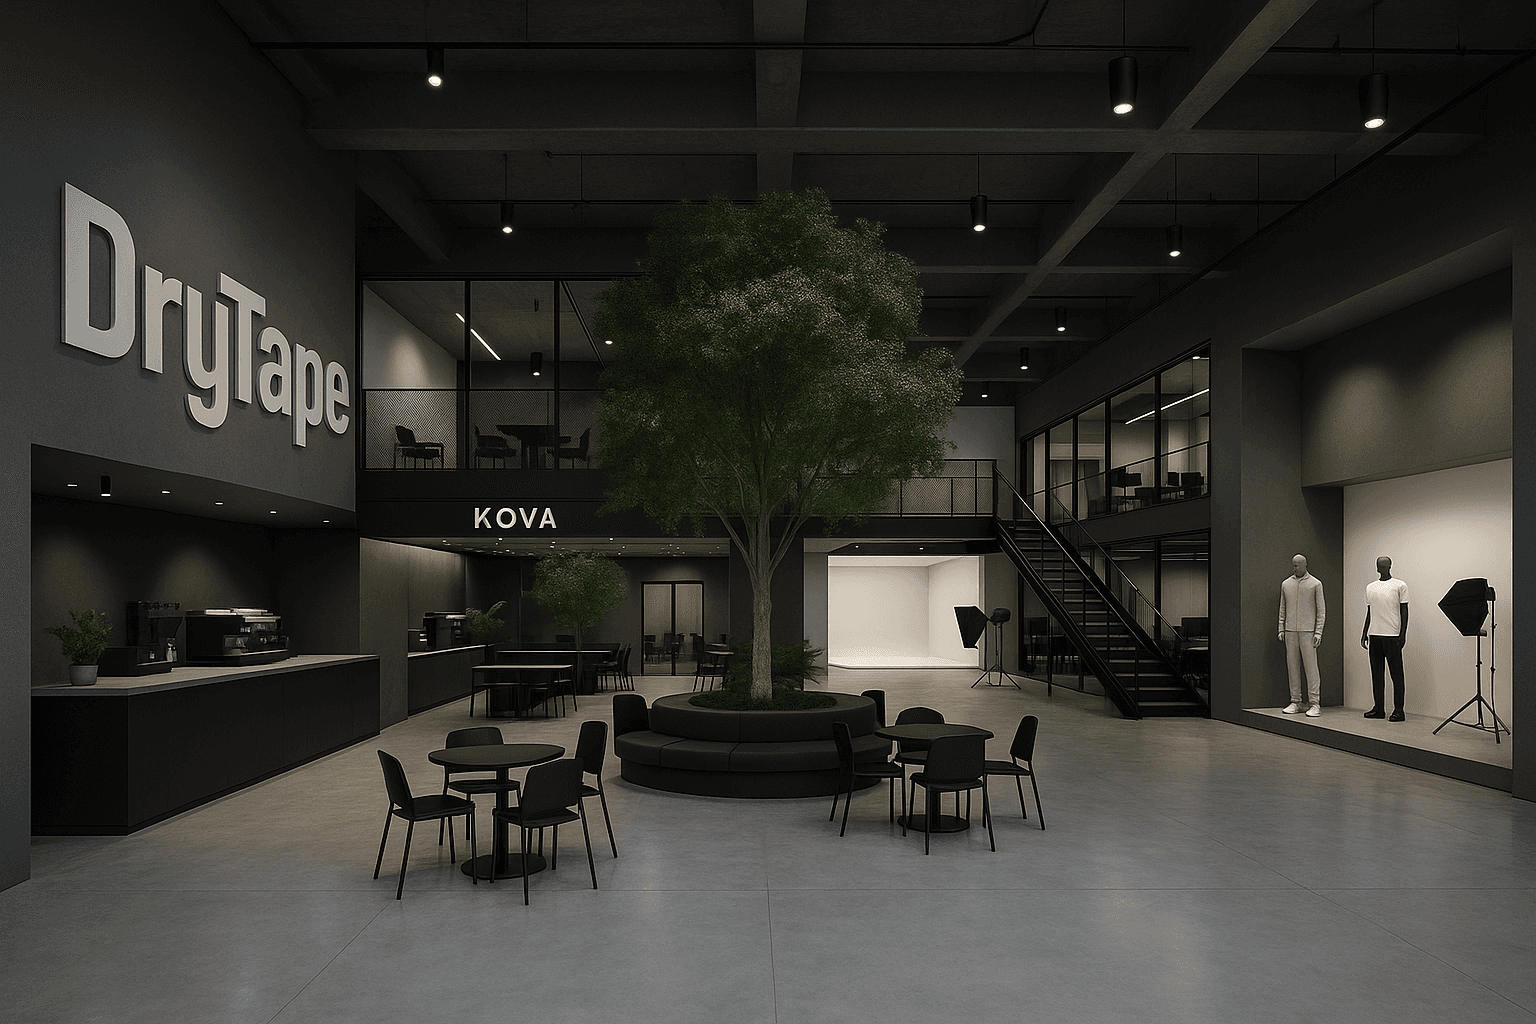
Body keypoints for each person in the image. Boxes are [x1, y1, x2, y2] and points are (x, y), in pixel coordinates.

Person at [1360, 555, 1409, 722]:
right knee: (1377, 674)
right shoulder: (1370, 587)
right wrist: (1365, 631)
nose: (1382, 568)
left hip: (1392, 635)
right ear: (1376, 568)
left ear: (1390, 566)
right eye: (1380, 565)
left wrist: (1403, 634)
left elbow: (1404, 611)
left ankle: (1399, 710)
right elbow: (1370, 611)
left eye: (1385, 565)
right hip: (1375, 635)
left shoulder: (1399, 585)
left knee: (1396, 674)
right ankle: (1379, 708)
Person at [1278, 553, 1325, 716]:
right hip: (1291, 631)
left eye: (1297, 565)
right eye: (1293, 565)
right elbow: (1282, 607)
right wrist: (1281, 628)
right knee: (1292, 667)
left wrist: (1318, 631)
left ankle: (1315, 703)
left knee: (1311, 668)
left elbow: (1321, 610)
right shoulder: (1286, 584)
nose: (1294, 568)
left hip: (1308, 632)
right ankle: (1295, 701)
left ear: (1305, 565)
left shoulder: (1315, 584)